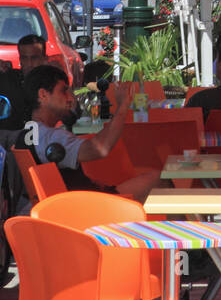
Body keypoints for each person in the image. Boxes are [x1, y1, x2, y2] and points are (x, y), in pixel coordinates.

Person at [22, 64, 159, 201]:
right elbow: (101, 149)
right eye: (63, 91)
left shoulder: (30, 133)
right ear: (43, 95)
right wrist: (122, 105)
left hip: (69, 203)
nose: (70, 99)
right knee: (159, 180)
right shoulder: (51, 138)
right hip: (87, 208)